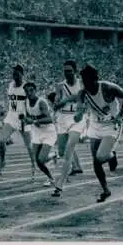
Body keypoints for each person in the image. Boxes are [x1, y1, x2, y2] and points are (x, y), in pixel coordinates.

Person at [57, 64, 123, 202]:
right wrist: (78, 114)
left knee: (101, 156)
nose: (87, 85)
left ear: (96, 79)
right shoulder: (82, 93)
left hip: (111, 124)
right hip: (95, 125)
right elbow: (79, 108)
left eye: (89, 81)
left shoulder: (108, 87)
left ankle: (111, 155)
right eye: (84, 81)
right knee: (96, 162)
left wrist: (120, 115)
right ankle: (105, 190)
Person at [51, 61, 85, 193]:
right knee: (61, 151)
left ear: (75, 71)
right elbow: (56, 105)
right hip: (63, 119)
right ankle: (74, 166)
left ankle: (60, 184)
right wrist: (62, 101)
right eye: (65, 71)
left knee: (70, 148)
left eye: (70, 70)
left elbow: (84, 100)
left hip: (77, 119)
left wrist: (73, 101)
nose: (67, 73)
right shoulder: (60, 86)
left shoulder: (81, 84)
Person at [0, 65, 36, 178]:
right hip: (12, 116)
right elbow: (9, 100)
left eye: (17, 74)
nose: (15, 77)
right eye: (13, 74)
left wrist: (29, 117)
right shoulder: (10, 85)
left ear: (22, 74)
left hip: (23, 118)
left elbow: (32, 102)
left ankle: (33, 165)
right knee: (2, 141)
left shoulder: (26, 87)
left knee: (29, 146)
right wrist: (4, 110)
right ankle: (2, 163)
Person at [22, 82, 58, 186]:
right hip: (37, 132)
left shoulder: (41, 102)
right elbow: (28, 116)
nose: (29, 93)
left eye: (31, 90)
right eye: (26, 91)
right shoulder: (26, 102)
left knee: (41, 159)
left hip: (48, 132)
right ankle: (51, 178)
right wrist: (25, 119)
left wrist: (33, 121)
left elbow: (48, 119)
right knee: (37, 160)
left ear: (35, 91)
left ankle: (52, 156)